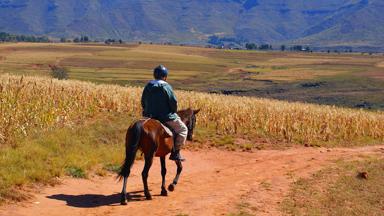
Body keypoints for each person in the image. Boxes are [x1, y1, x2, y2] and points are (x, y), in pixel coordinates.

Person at [141, 65, 188, 161]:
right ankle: (175, 153)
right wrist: (173, 111)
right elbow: (173, 102)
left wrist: (147, 111)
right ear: (165, 76)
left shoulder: (148, 86)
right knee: (183, 129)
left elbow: (143, 101)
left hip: (149, 116)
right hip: (165, 117)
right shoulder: (166, 86)